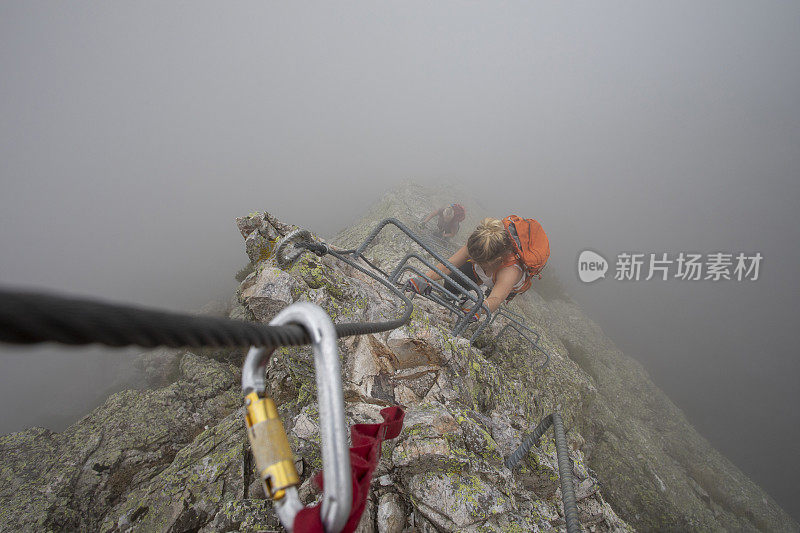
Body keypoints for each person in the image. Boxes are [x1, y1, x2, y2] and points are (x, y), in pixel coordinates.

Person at [406, 216, 549, 318]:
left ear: (497, 260)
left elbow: (496, 299)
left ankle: (480, 296)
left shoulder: (510, 271)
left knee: (486, 301)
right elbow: (447, 265)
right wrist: (424, 278)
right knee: (451, 283)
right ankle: (450, 296)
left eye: (479, 261)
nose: (473, 261)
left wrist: (479, 308)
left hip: (507, 283)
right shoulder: (479, 243)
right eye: (471, 258)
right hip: (487, 270)